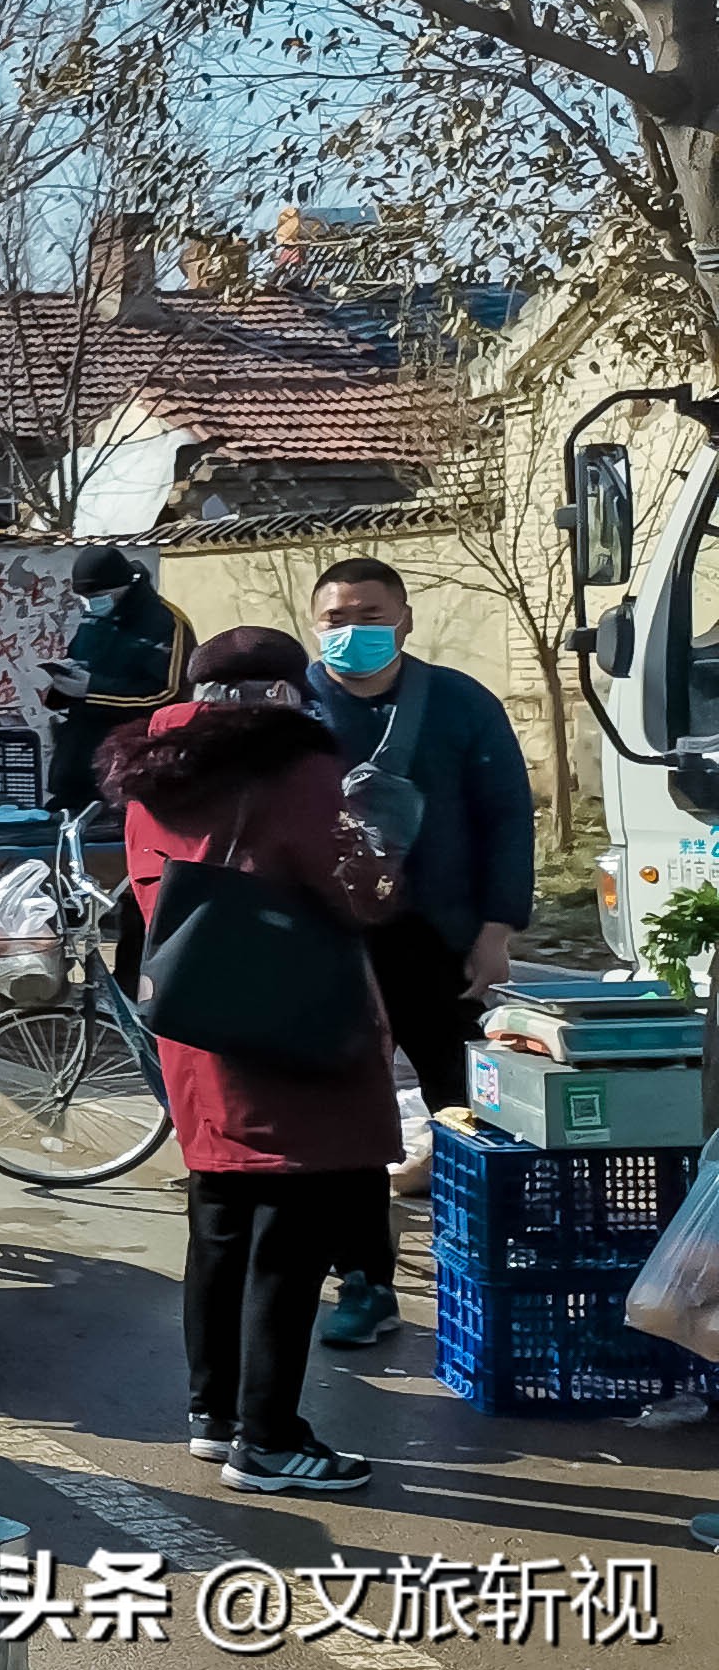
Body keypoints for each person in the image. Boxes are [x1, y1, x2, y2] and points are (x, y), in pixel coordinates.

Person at [98, 626, 399, 1496]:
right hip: (288, 1017)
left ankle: (213, 1412)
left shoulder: (150, 772)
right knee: (289, 1235)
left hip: (196, 1019)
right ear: (285, 691)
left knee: (220, 1217)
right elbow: (362, 890)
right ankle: (269, 1439)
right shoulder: (298, 769)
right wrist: (386, 844)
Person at [304, 556, 532, 1349]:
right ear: (314, 625)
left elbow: (508, 816)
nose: (353, 631)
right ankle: (365, 1280)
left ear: (405, 619)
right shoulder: (292, 708)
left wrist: (498, 929)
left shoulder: (462, 703)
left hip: (438, 936)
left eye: (370, 614)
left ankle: (495, 1261)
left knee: (467, 1103)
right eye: (336, 618)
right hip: (327, 941)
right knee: (347, 1114)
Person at [43, 545, 194, 815]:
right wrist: (61, 689)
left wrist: (92, 690)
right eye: (85, 597)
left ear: (122, 587)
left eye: (98, 596)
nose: (91, 603)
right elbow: (79, 664)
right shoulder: (94, 618)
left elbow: (168, 693)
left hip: (131, 767)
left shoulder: (165, 622)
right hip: (77, 764)